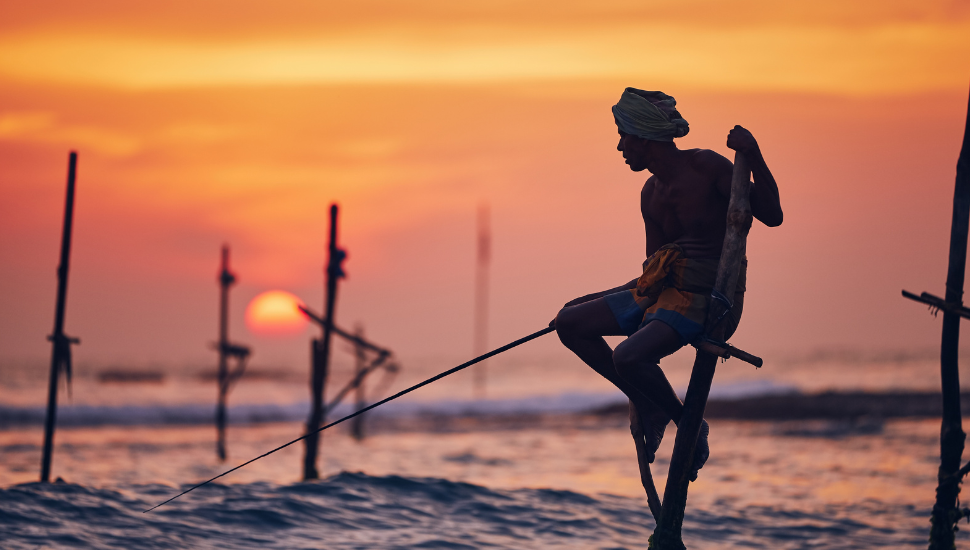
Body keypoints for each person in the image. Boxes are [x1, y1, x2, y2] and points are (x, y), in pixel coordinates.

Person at [554, 88, 783, 481]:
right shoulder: (649, 194)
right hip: (665, 293)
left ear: (644, 137)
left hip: (707, 300)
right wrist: (607, 297)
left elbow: (772, 214)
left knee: (628, 357)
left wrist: (754, 152)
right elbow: (652, 270)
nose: (620, 146)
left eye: (624, 136)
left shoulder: (708, 168)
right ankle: (645, 399)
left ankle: (684, 421)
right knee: (568, 321)